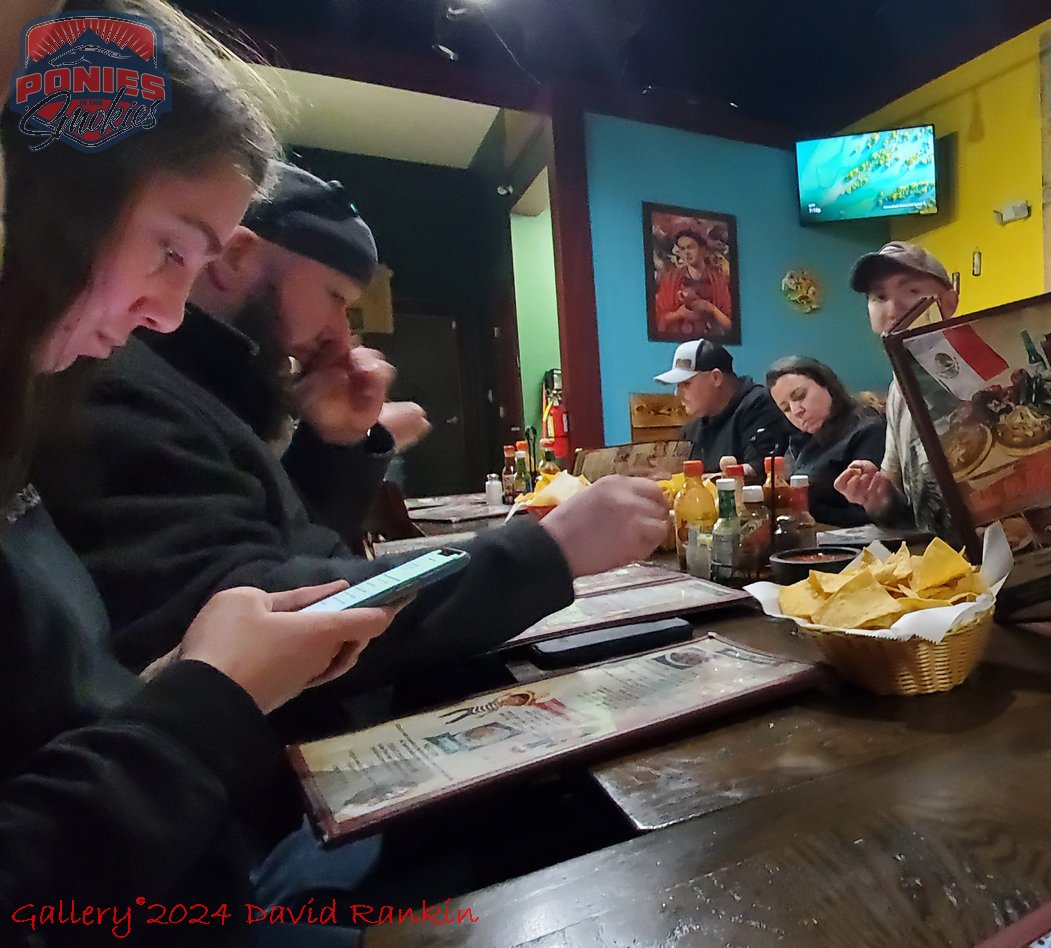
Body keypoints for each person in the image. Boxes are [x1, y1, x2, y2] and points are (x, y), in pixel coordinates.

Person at [0, 0, 396, 941]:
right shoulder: (118, 389)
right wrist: (206, 699)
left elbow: (66, 707)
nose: (168, 312)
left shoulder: (44, 410)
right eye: (171, 249)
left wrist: (180, 685)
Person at [35, 162, 673, 682]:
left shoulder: (201, 390)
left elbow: (296, 554)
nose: (342, 336)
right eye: (335, 298)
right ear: (236, 258)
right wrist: (549, 548)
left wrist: (334, 445)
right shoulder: (121, 388)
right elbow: (276, 622)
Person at [832, 241, 963, 542]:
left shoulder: (988, 370)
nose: (893, 309)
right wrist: (876, 496)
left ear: (950, 302)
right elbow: (904, 508)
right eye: (879, 296)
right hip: (941, 561)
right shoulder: (899, 388)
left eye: (912, 291)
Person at [767, 356, 886, 527]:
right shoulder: (799, 440)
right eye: (785, 408)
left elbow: (873, 515)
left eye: (800, 396)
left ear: (827, 385)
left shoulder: (868, 430)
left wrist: (807, 510)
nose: (796, 411)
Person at [656, 338, 794, 474]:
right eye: (677, 385)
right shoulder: (692, 429)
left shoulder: (761, 406)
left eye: (686, 384)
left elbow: (761, 471)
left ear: (716, 378)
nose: (677, 393)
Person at [650, 228, 733, 339]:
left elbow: (730, 325)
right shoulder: (670, 279)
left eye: (690, 247)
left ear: (703, 250)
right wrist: (679, 314)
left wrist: (712, 309)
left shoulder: (718, 281)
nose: (686, 253)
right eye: (682, 249)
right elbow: (658, 319)